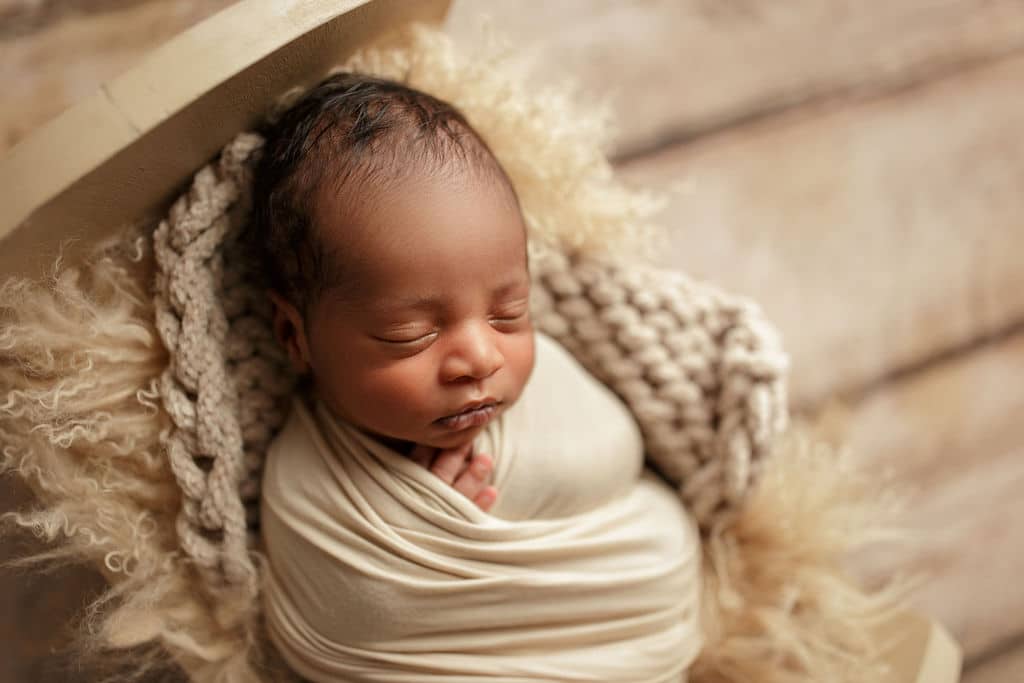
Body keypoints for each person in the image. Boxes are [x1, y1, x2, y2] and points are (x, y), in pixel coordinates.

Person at [249, 72, 701, 682]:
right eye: (411, 335)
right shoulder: (304, 484)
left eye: (508, 314)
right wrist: (429, 536)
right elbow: (345, 620)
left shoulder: (554, 384)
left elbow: (630, 475)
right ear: (293, 337)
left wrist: (510, 495)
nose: (481, 358)